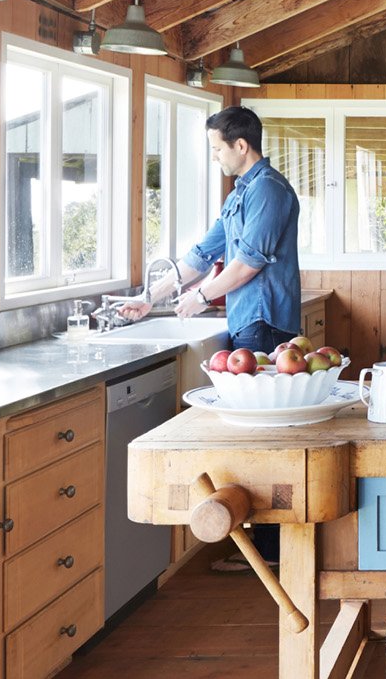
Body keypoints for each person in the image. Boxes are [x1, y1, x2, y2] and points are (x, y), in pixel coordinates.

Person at [122, 105, 299, 570]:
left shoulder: (270, 193)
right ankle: (265, 547)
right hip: (247, 320)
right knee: (252, 435)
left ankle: (274, 550)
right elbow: (202, 254)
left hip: (265, 322)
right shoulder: (240, 194)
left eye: (217, 149)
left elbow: (248, 264)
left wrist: (200, 297)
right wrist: (149, 297)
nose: (215, 157)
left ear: (241, 146)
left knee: (265, 439)